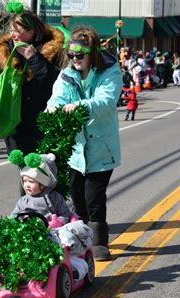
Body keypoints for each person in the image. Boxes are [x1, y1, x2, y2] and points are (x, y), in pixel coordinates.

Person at [46, 27, 123, 261]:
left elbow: (106, 101)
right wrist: (52, 109)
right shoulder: (66, 75)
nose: (75, 60)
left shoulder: (110, 71)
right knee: (76, 195)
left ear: (93, 52)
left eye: (80, 55)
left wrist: (81, 107)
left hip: (101, 148)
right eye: (71, 55)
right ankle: (82, 237)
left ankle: (100, 241)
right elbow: (56, 98)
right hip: (74, 150)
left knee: (94, 196)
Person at [0, 8, 64, 155]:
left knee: (43, 172)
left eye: (17, 30)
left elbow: (55, 82)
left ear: (31, 32)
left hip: (42, 123)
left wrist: (35, 59)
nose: (12, 34)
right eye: (11, 30)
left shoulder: (52, 51)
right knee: (25, 171)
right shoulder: (6, 52)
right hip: (15, 124)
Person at [11, 152, 74, 229]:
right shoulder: (23, 201)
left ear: (43, 184)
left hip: (54, 231)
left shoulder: (54, 197)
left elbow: (65, 214)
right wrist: (21, 222)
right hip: (31, 232)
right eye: (24, 181)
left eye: (31, 182)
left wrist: (58, 222)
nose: (27, 185)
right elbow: (13, 217)